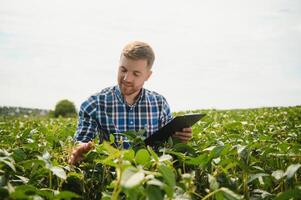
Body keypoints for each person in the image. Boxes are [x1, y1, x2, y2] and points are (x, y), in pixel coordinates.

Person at [69, 41, 192, 165]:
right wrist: (80, 150)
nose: (127, 78)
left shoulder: (159, 103)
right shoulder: (94, 104)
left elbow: (167, 149)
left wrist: (179, 140)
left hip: (149, 175)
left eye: (136, 74)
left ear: (147, 76)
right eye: (123, 70)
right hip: (114, 175)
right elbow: (81, 140)